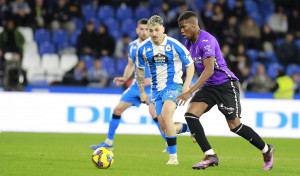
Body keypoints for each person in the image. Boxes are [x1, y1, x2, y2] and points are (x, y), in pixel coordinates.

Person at [176, 11, 275, 170]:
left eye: (183, 27)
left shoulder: (206, 41)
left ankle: (267, 149)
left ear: (194, 25)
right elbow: (190, 66)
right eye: (180, 28)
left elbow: (209, 71)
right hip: (209, 86)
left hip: (225, 85)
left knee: (234, 125)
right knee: (191, 116)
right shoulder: (188, 43)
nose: (181, 31)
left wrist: (190, 91)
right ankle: (210, 156)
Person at [90, 19, 191, 152]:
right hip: (136, 86)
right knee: (117, 110)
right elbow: (131, 65)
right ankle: (109, 142)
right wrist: (125, 77)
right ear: (137, 30)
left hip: (153, 87)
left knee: (155, 113)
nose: (144, 32)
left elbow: (164, 66)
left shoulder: (155, 46)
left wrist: (153, 80)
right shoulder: (132, 46)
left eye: (146, 29)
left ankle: (169, 141)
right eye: (141, 29)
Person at [136, 15, 195, 165]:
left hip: (174, 86)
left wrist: (187, 85)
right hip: (156, 91)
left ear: (163, 28)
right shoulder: (143, 48)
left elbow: (190, 65)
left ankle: (173, 157)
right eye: (151, 30)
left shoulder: (174, 45)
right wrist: (142, 91)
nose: (154, 33)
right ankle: (192, 128)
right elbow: (140, 71)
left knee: (167, 115)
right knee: (165, 127)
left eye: (156, 30)